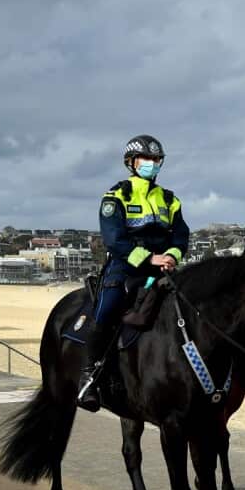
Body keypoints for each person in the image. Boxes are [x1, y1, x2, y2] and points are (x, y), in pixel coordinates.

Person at [77, 134, 190, 411]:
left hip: (163, 267)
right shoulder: (115, 196)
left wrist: (171, 258)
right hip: (125, 268)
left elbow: (181, 236)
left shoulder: (169, 199)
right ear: (131, 162)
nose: (152, 164)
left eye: (156, 160)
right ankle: (89, 376)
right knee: (105, 312)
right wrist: (150, 259)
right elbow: (115, 240)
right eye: (146, 159)